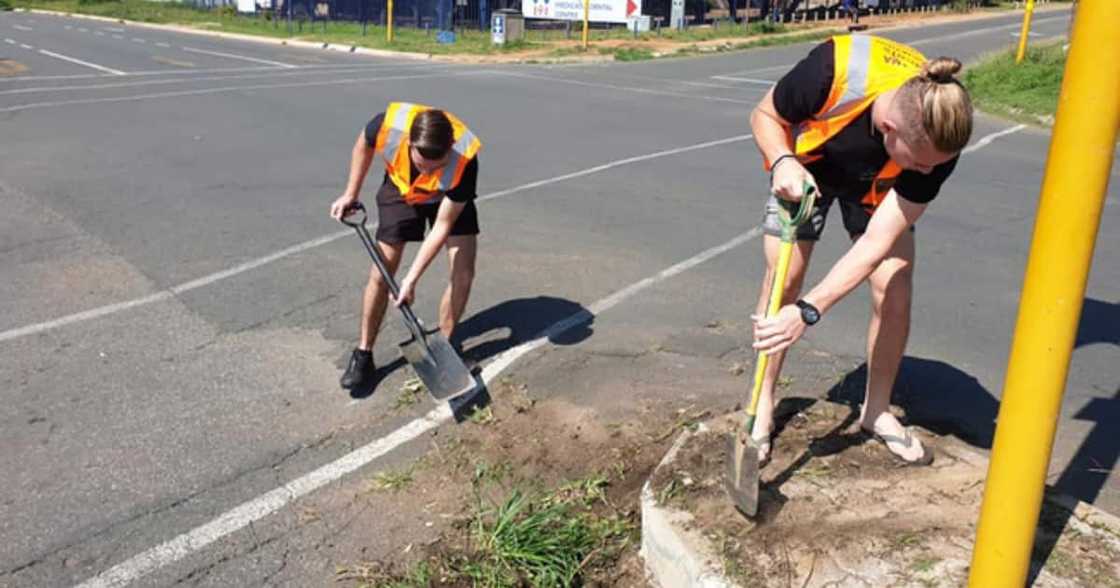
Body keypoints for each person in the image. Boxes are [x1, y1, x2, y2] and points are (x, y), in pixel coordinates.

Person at [748, 34, 974, 465]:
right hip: (804, 169)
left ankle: (876, 411)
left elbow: (876, 243)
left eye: (935, 165)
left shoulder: (940, 139)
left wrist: (811, 311)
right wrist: (782, 160)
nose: (930, 172)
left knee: (895, 283)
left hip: (875, 187)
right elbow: (763, 114)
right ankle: (762, 402)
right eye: (922, 163)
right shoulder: (832, 68)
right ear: (889, 129)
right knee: (784, 278)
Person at [330, 102, 482, 390]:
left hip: (447, 200)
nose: (429, 172)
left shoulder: (465, 158)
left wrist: (411, 279)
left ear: (450, 148)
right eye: (423, 165)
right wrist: (351, 193)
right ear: (410, 143)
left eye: (438, 166)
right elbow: (363, 145)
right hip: (401, 190)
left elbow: (442, 225)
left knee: (463, 272)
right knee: (381, 272)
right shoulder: (387, 125)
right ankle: (363, 354)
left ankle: (446, 349)